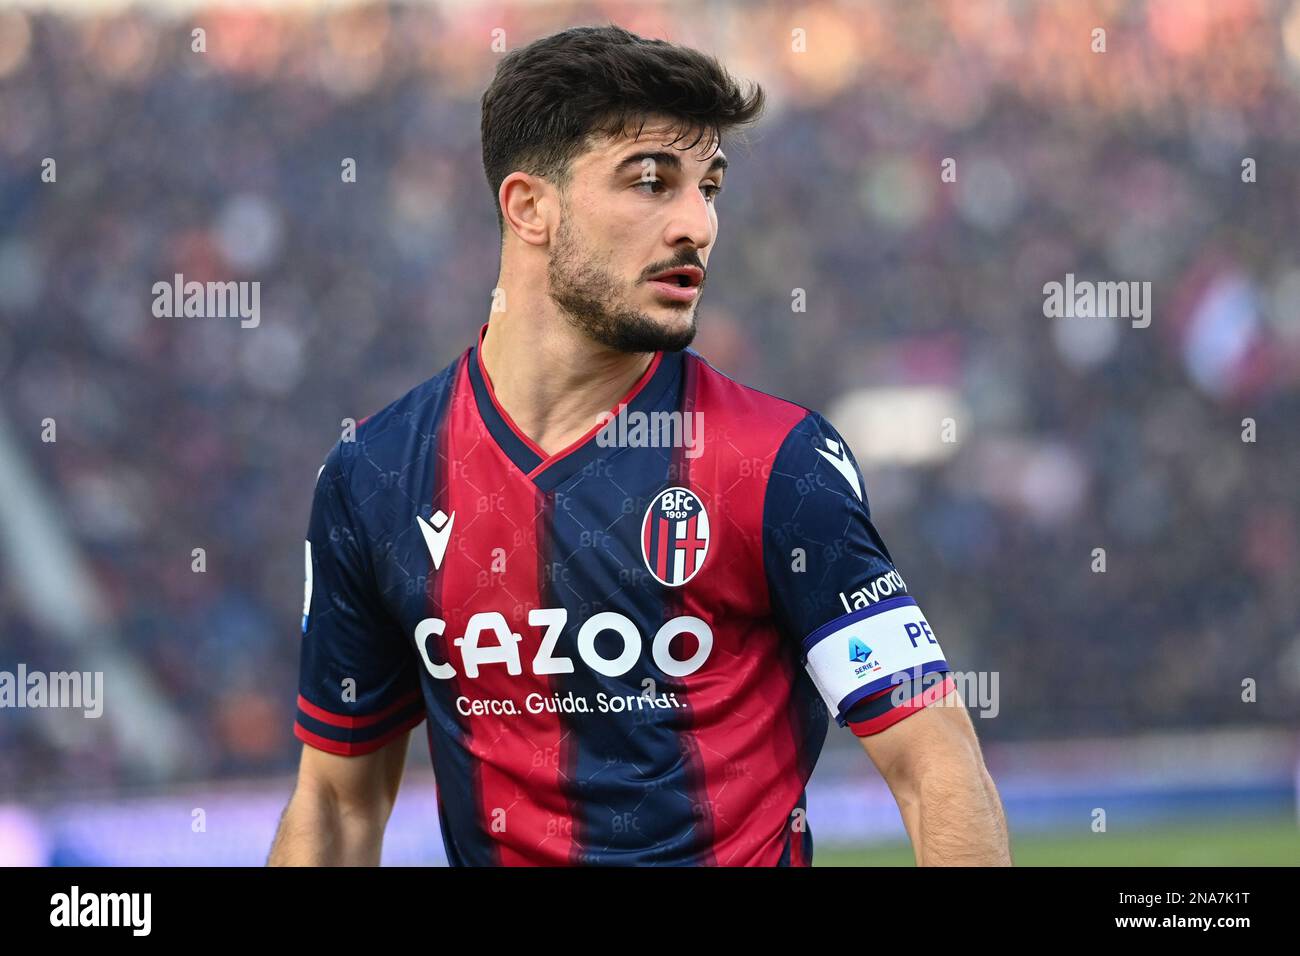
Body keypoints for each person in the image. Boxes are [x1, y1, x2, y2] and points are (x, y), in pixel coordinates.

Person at [269, 24, 1009, 866]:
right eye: (651, 181)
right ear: (529, 207)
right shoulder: (374, 477)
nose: (697, 224)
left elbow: (934, 758)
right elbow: (336, 803)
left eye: (711, 186)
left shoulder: (776, 463)